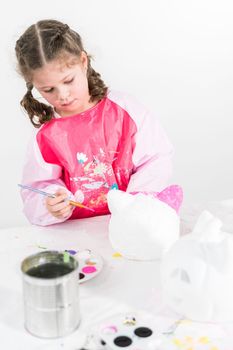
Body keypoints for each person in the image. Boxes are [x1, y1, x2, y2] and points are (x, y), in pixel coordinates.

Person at [15, 19, 182, 226]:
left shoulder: (124, 111)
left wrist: (135, 203)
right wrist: (50, 203)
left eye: (68, 81)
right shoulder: (46, 134)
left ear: (83, 62)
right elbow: (35, 189)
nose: (63, 95)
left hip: (129, 226)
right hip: (76, 234)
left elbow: (156, 159)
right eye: (48, 90)